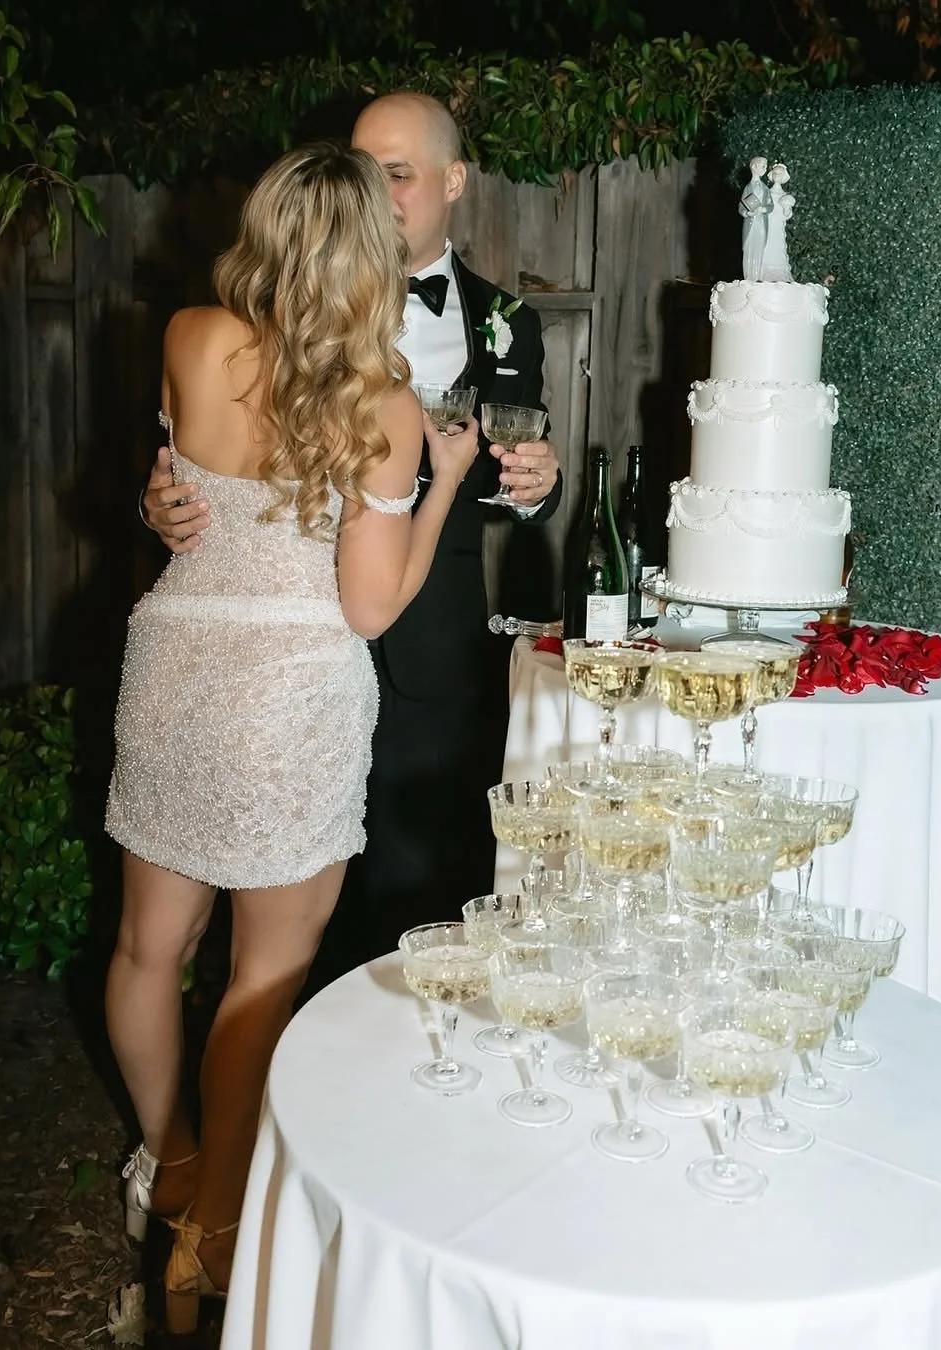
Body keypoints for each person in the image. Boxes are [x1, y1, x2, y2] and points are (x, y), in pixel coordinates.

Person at [104, 141, 479, 1334]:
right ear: (373, 259)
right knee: (261, 980)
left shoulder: (192, 339)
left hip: (174, 668)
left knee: (146, 951)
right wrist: (444, 486)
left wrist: (164, 503)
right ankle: (212, 1233)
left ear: (263, 231)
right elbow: (369, 606)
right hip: (293, 700)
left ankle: (164, 1162)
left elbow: (182, 488)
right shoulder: (386, 408)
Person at [139, 92, 563, 980]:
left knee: (412, 896)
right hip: (271, 665)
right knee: (270, 927)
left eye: (399, 174)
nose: (379, 192)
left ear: (453, 183)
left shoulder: (507, 322)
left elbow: (512, 481)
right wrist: (155, 499)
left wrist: (535, 488)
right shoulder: (259, 325)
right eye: (365, 172)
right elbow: (218, 460)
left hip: (425, 645)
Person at [739, 154, 772, 282]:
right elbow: (741, 206)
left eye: (765, 166)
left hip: (761, 224)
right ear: (754, 167)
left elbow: (770, 205)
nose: (764, 168)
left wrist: (763, 209)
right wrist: (747, 214)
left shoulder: (765, 189)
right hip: (751, 224)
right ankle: (748, 277)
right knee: (748, 249)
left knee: (759, 249)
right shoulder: (748, 188)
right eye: (762, 166)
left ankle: (757, 277)